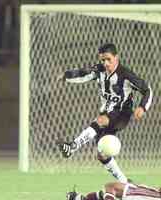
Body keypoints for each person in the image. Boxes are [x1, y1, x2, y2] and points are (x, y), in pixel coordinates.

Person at [57, 43, 153, 183]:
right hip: (107, 112)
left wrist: (142, 107)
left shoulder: (125, 75)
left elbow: (147, 90)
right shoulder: (100, 71)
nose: (106, 63)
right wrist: (66, 75)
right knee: (102, 154)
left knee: (101, 121)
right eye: (102, 60)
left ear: (116, 58)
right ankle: (125, 182)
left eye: (109, 59)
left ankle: (72, 147)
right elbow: (84, 73)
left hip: (122, 114)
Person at [66, 153, 161, 200]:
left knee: (112, 187)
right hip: (157, 193)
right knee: (123, 187)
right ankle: (80, 199)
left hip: (159, 198)